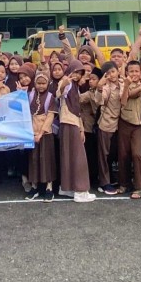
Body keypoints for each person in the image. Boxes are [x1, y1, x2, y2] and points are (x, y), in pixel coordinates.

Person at [57, 60, 96, 202]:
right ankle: (80, 191)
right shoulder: (67, 84)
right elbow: (58, 93)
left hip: (71, 123)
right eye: (76, 72)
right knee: (79, 157)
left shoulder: (75, 87)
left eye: (80, 73)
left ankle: (67, 187)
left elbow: (77, 110)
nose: (77, 75)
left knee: (69, 156)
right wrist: (64, 84)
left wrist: (81, 129)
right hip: (69, 122)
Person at [24, 66, 57, 202]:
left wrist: (40, 133)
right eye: (38, 83)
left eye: (44, 83)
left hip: (46, 133)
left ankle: (49, 187)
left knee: (46, 159)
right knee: (33, 159)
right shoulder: (30, 95)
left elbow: (50, 117)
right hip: (32, 132)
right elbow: (26, 113)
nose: (41, 86)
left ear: (48, 83)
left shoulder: (50, 98)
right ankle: (34, 186)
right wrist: (31, 133)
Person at [93, 62, 123, 196]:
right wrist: (99, 88)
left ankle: (113, 177)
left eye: (113, 72)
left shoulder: (123, 83)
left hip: (120, 125)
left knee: (114, 154)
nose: (111, 75)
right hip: (106, 124)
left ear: (118, 71)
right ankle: (104, 183)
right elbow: (100, 101)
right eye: (108, 73)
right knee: (103, 155)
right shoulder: (105, 87)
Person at [118, 61, 141, 197]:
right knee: (123, 155)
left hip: (138, 125)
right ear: (126, 73)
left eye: (137, 71)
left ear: (140, 72)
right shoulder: (122, 84)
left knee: (137, 154)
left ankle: (139, 186)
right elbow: (123, 101)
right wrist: (127, 86)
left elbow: (136, 93)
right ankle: (124, 184)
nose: (134, 74)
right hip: (124, 122)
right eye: (131, 71)